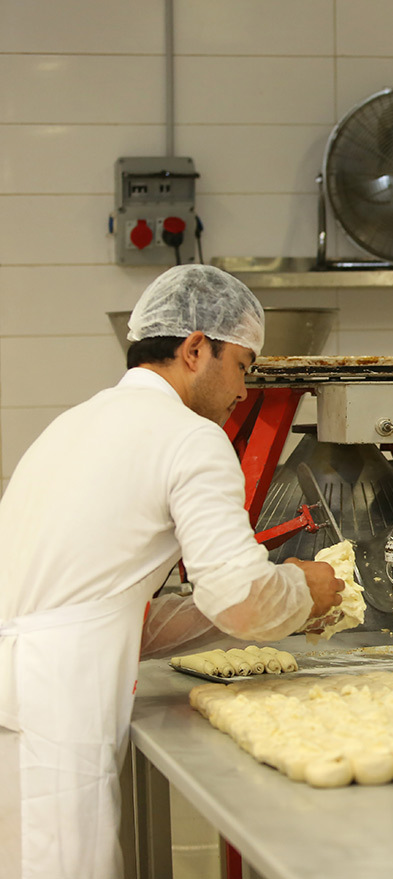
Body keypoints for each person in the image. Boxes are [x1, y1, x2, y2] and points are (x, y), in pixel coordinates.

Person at [0, 264, 345, 879]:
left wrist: (246, 613)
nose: (246, 389)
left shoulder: (72, 424)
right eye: (243, 364)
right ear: (195, 349)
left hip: (23, 691)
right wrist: (304, 591)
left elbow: (109, 610)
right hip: (57, 705)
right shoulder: (188, 438)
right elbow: (240, 597)